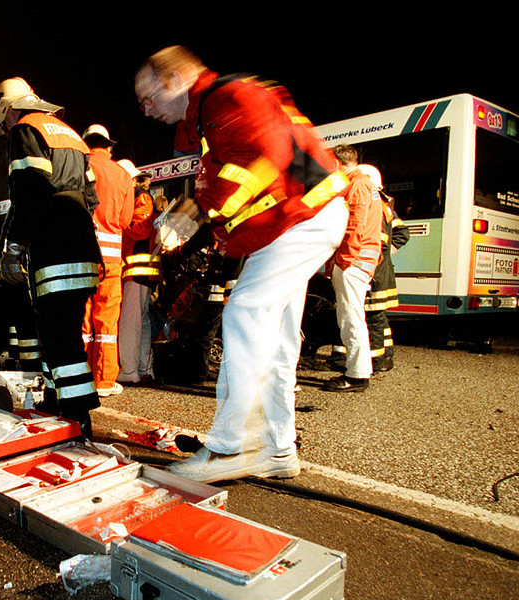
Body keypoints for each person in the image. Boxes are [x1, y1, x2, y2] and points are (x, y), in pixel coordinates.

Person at [135, 46, 349, 483]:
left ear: (175, 80)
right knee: (277, 339)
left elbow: (260, 160)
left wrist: (196, 211)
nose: (146, 109)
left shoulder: (227, 99)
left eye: (149, 96)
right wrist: (202, 214)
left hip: (299, 218)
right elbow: (246, 169)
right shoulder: (215, 116)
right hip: (301, 217)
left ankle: (233, 445)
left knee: (246, 316)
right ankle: (276, 447)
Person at [0, 77, 101, 436]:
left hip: (54, 248)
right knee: (61, 334)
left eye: (1, 121)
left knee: (60, 340)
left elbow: (28, 192)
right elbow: (92, 198)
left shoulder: (24, 130)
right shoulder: (69, 134)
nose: (4, 130)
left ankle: (77, 417)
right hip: (83, 247)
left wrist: (14, 247)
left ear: (5, 107)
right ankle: (56, 404)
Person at [323, 145, 382, 392]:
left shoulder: (357, 184)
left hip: (353, 261)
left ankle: (357, 376)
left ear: (337, 163)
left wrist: (343, 260)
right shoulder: (367, 184)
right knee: (353, 315)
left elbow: (355, 224)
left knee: (350, 317)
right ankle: (358, 370)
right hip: (360, 261)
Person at [81, 124, 134, 397]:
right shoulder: (123, 174)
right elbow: (125, 221)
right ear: (108, 146)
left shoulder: (78, 165)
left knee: (83, 319)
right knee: (106, 321)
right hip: (112, 259)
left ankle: (79, 377)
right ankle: (103, 381)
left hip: (82, 254)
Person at [116, 161, 161, 385]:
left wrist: (117, 222)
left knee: (130, 323)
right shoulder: (141, 196)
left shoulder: (139, 197)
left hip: (137, 272)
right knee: (141, 323)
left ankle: (129, 371)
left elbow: (140, 229)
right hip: (142, 273)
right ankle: (143, 370)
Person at [362, 164, 409, 372]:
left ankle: (378, 361)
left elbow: (379, 240)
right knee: (379, 316)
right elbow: (402, 234)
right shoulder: (386, 205)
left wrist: (380, 257)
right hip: (381, 269)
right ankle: (386, 356)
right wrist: (388, 253)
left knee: (373, 316)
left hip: (375, 271)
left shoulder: (374, 204)